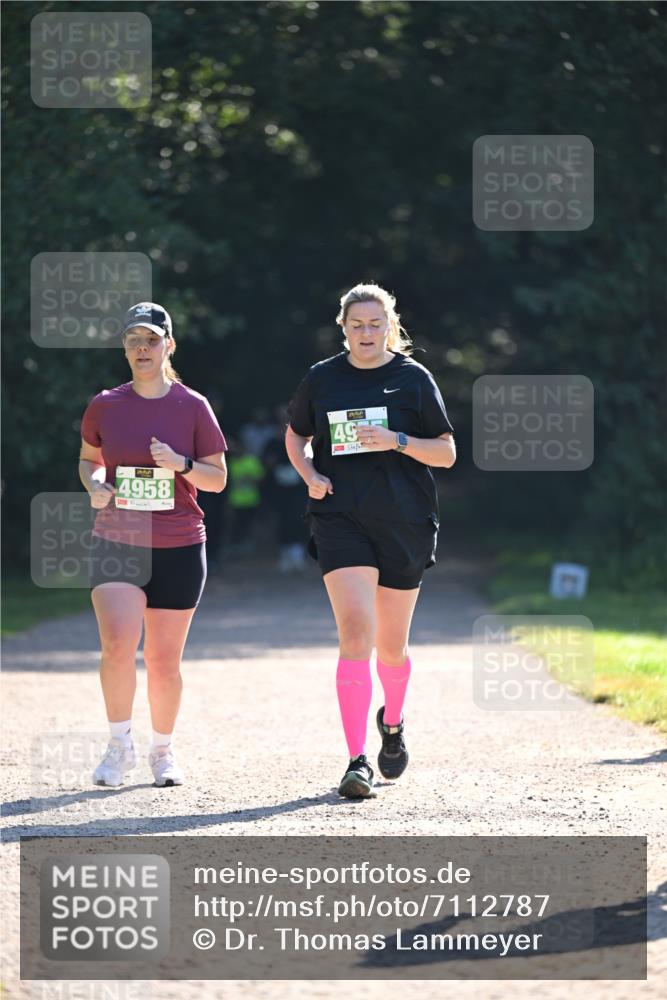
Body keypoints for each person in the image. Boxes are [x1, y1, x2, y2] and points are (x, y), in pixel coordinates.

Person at [285, 283, 455, 799]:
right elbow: (296, 435)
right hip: (339, 517)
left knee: (392, 648)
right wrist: (309, 473)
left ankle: (394, 721)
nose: (366, 333)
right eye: (356, 325)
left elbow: (446, 453)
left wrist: (397, 441)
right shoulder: (322, 378)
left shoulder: (413, 378)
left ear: (390, 326)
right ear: (343, 328)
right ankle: (356, 760)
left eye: (375, 324)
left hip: (403, 521)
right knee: (355, 633)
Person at [79, 302, 227, 788]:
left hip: (178, 542)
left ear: (169, 345)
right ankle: (118, 745)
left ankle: (162, 751)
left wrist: (181, 463)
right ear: (125, 349)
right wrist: (96, 483)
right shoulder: (106, 403)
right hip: (117, 537)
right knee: (118, 642)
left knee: (163, 661)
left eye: (151, 340)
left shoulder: (192, 405)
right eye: (133, 342)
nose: (142, 349)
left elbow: (218, 479)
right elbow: (89, 460)